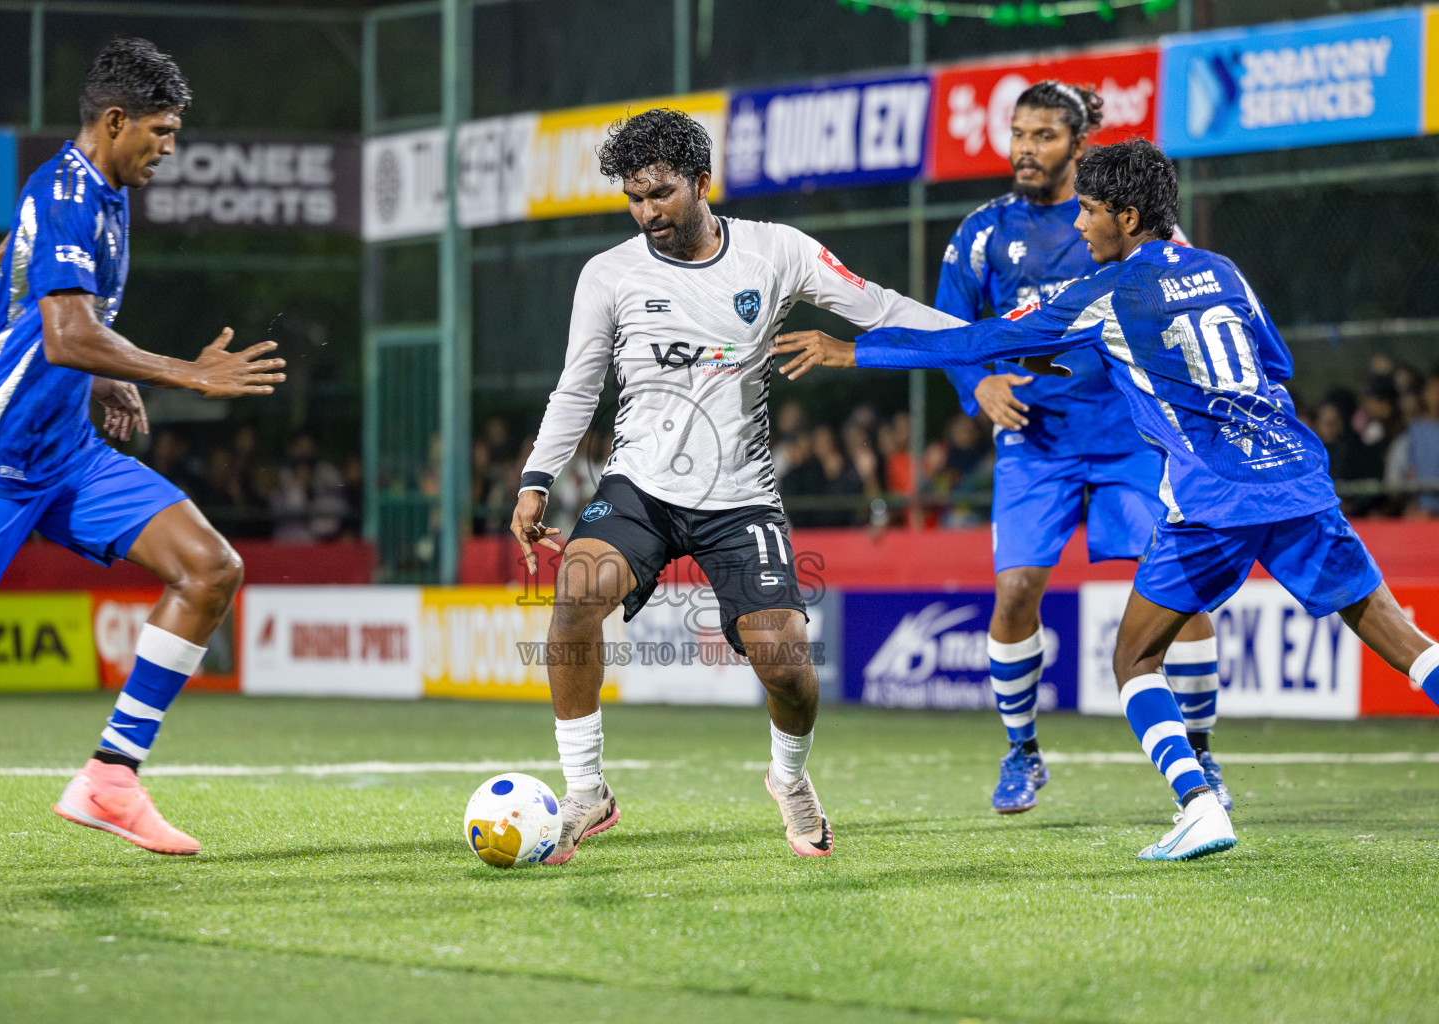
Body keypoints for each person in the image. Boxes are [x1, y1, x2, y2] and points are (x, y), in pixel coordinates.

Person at [773, 138, 1439, 861]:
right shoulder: (1222, 269)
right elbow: (1273, 363)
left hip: (1213, 497)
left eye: (1089, 212)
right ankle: (1194, 778)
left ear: (1127, 216)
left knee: (1134, 659)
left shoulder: (1106, 294)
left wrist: (854, 350)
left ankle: (1197, 804)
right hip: (1297, 479)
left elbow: (980, 343)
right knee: (1389, 628)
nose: (1079, 226)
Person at [509, 107, 959, 864]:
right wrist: (535, 481)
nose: (647, 212)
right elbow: (577, 389)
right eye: (634, 198)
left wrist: (981, 345)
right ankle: (586, 790)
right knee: (576, 594)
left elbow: (877, 308)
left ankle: (789, 779)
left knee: (785, 664)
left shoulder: (776, 253)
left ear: (701, 182)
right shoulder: (609, 275)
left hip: (741, 498)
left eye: (660, 193)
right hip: (640, 487)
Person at [0, 39, 285, 855]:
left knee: (210, 567)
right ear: (114, 122)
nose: (169, 148)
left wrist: (101, 375)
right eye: (162, 130)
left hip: (66, 451)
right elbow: (69, 330)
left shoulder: (103, 194)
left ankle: (111, 779)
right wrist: (187, 373)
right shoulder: (67, 191)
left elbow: (22, 282)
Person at [933, 80, 1225, 815]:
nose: (1025, 149)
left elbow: (1188, 298)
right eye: (1018, 133)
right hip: (1035, 444)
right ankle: (1022, 752)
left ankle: (1200, 752)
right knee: (1015, 590)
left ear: (1077, 142)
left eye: (1043, 136)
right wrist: (979, 389)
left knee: (1181, 595)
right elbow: (948, 330)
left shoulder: (1123, 220)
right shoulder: (981, 232)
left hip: (1129, 439)